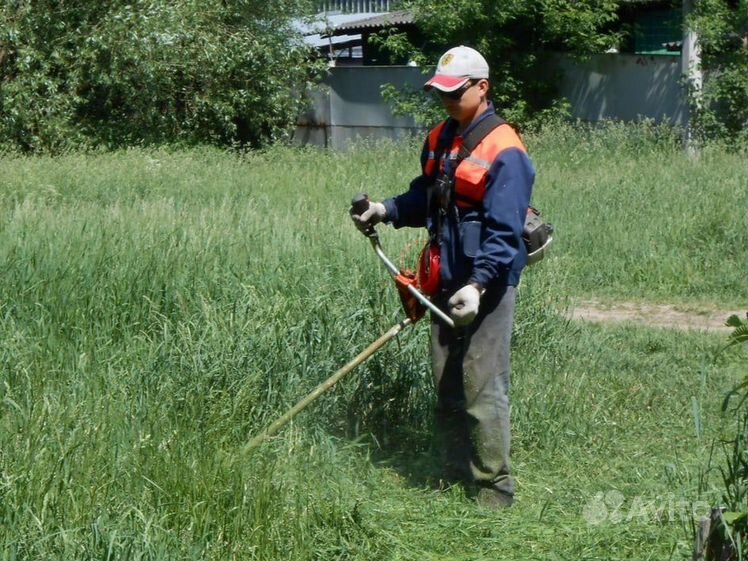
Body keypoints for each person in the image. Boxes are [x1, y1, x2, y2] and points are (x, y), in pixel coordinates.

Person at [350, 45, 535, 509]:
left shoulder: (505, 149)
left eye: (456, 93)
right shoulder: (438, 139)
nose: (447, 102)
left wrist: (479, 285)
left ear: (482, 88)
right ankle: (454, 479)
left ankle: (494, 494)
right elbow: (426, 197)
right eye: (442, 94)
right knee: (447, 384)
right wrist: (384, 210)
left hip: (484, 287)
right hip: (445, 280)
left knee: (482, 387)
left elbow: (504, 231)